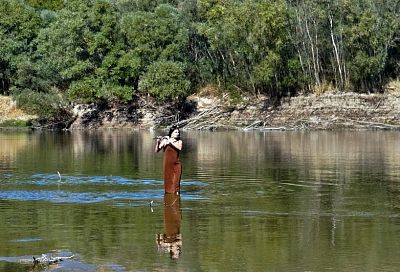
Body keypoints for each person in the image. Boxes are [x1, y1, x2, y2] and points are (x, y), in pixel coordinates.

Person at [155, 125, 182, 194]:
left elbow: (179, 148)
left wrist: (170, 141)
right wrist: (158, 142)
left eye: (178, 132)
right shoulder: (165, 141)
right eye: (176, 132)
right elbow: (157, 150)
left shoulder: (179, 141)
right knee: (168, 182)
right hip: (167, 164)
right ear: (171, 133)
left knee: (176, 183)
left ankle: (177, 195)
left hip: (177, 164)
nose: (178, 133)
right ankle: (169, 197)